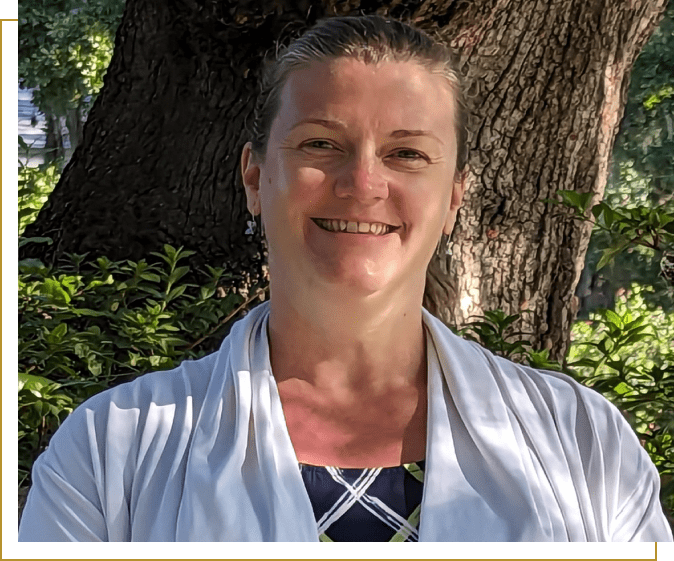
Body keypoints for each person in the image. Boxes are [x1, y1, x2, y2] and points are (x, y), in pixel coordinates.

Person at [18, 15, 672, 542]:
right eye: (320, 144)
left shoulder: (585, 445)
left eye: (407, 153)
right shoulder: (112, 452)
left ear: (453, 198)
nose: (362, 183)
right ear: (255, 178)